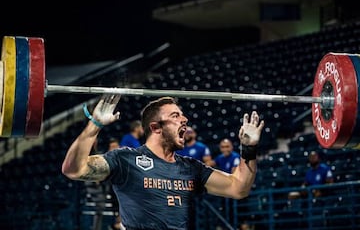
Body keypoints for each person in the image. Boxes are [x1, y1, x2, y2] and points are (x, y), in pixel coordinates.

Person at [62, 95, 265, 229]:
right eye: (176, 116)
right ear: (156, 127)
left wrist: (248, 149)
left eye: (182, 115)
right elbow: (74, 170)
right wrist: (94, 124)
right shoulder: (125, 159)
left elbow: (239, 188)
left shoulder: (191, 168)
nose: (184, 119)